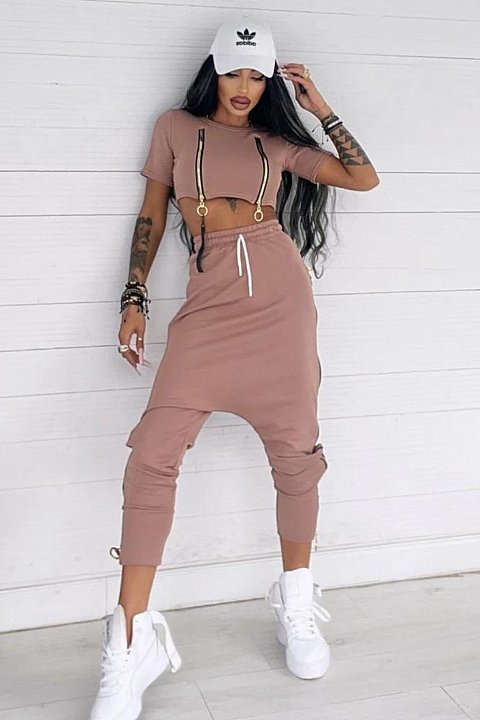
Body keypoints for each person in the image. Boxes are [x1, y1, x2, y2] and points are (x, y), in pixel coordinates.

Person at [89, 14, 379, 720]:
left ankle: (297, 601)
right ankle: (131, 642)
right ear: (213, 72)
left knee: (296, 454)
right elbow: (150, 212)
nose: (244, 86)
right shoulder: (173, 128)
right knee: (152, 455)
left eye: (257, 74)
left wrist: (320, 107)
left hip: (280, 302)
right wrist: (134, 298)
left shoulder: (277, 143)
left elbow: (362, 177)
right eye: (233, 72)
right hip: (207, 307)